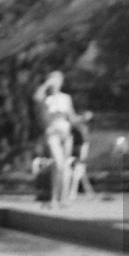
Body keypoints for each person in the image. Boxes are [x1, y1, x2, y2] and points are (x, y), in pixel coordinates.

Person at [34, 70, 79, 208]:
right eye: (54, 80)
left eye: (58, 80)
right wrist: (47, 83)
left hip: (65, 134)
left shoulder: (66, 98)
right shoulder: (45, 98)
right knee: (59, 164)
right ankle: (55, 198)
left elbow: (72, 117)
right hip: (52, 134)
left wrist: (83, 118)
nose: (56, 83)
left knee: (63, 167)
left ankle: (60, 198)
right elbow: (36, 97)